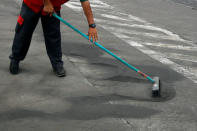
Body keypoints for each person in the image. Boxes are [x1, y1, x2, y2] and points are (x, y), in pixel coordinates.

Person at [9, 0, 98, 77]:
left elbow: (85, 2)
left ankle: (57, 63)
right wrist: (47, 3)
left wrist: (92, 25)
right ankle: (15, 59)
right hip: (32, 4)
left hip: (53, 7)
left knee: (53, 35)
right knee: (24, 32)